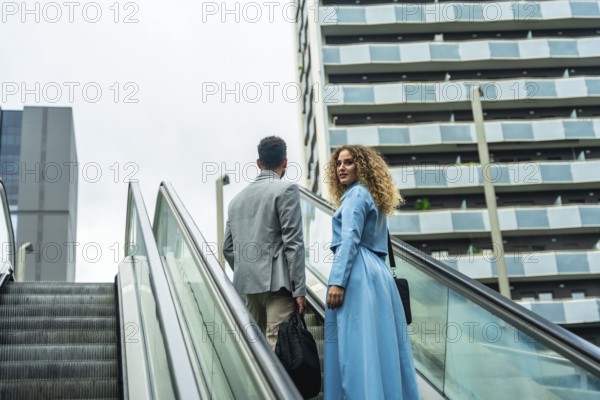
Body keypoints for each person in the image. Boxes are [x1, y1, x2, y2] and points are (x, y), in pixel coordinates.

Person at [323, 145, 419, 399]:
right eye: (338, 163)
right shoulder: (370, 195)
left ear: (362, 166)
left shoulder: (355, 196)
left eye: (349, 162)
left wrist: (337, 282)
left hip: (356, 273)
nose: (341, 168)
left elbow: (350, 239)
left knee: (356, 349)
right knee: (379, 348)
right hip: (378, 275)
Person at [223, 136, 306, 350]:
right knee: (277, 348)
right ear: (285, 162)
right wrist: (299, 290)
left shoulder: (235, 201)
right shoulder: (286, 190)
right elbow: (293, 243)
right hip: (278, 284)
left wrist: (246, 268)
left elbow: (227, 248)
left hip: (247, 285)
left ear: (258, 163)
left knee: (254, 352)